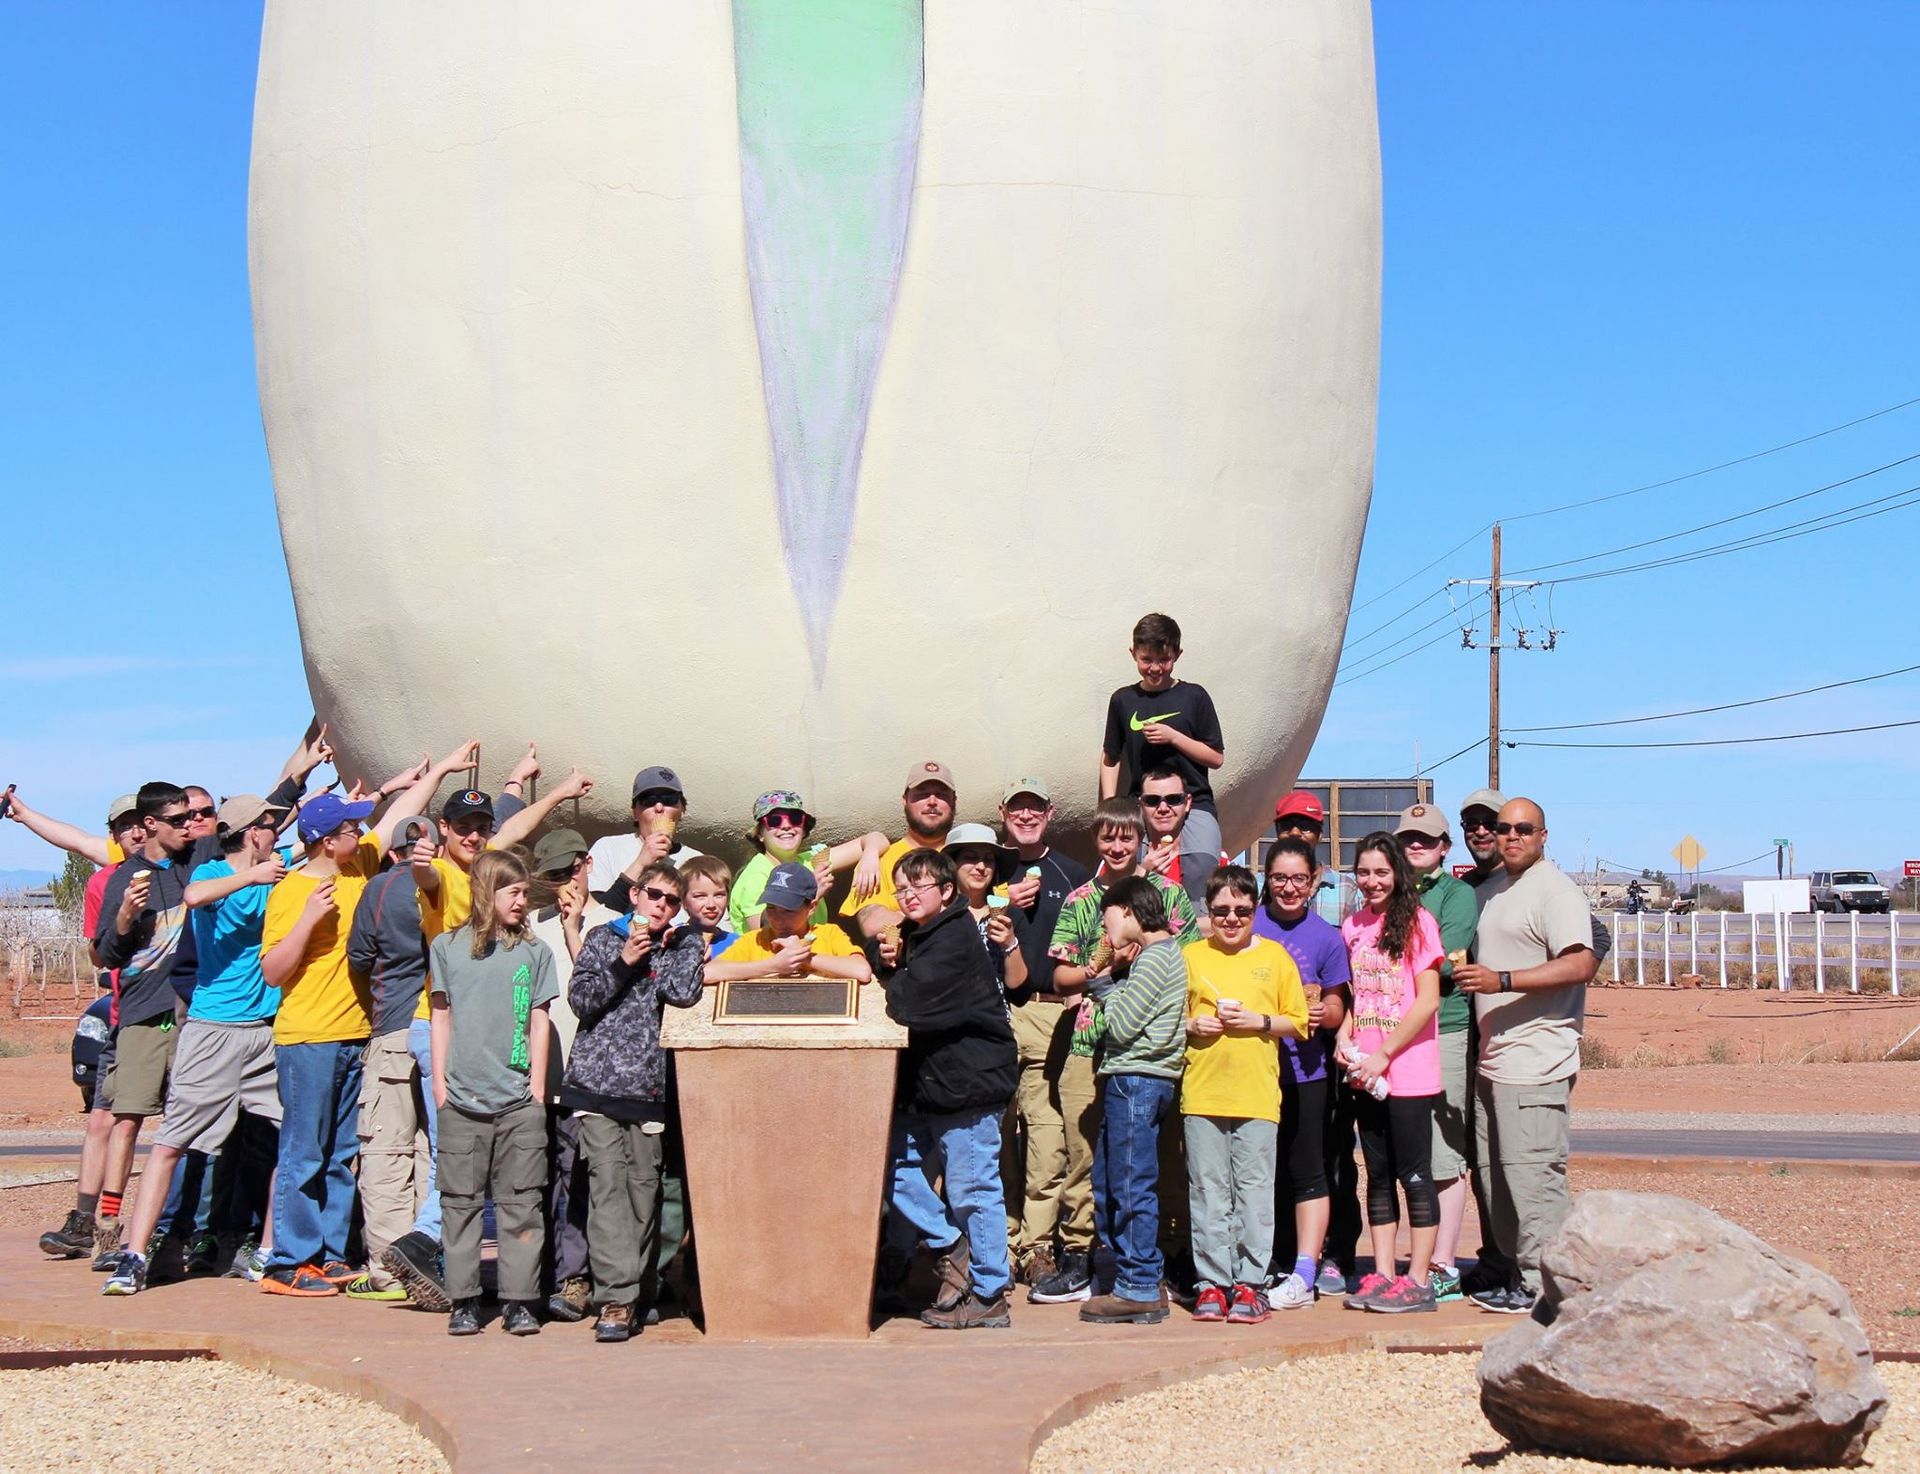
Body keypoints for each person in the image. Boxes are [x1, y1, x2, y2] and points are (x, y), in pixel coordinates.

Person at [102, 795, 290, 1296]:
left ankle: (267, 1252)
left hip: (267, 1029)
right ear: (254, 833)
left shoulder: (281, 866)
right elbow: (193, 899)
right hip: (213, 1029)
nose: (277, 835)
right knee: (171, 1143)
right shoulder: (209, 873)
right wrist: (251, 877)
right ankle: (135, 1255)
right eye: (270, 827)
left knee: (282, 1141)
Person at [260, 772, 439, 1298]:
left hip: (356, 1033)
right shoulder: (294, 891)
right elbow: (273, 971)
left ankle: (333, 1255)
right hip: (308, 1036)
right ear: (325, 839)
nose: (359, 837)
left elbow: (392, 822)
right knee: (303, 1152)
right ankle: (288, 1262)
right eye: (348, 830)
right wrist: (308, 921)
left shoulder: (356, 866)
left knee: (341, 1153)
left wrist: (438, 772)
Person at [1035, 798, 1199, 1305]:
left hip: (1146, 1052)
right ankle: (1084, 1258)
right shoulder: (1082, 898)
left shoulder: (1169, 900)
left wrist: (1128, 974)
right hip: (1092, 1044)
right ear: (1096, 840)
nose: (1118, 845)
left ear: (1141, 838)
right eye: (1108, 837)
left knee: (1149, 1166)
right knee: (1092, 1162)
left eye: (1127, 837)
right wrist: (1097, 970)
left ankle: (1156, 1264)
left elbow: (1187, 962)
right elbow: (1059, 976)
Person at [1453, 798, 1597, 1315]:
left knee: (1534, 1177)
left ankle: (1549, 1291)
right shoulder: (1498, 890)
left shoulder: (1554, 890)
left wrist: (1502, 981)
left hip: (1536, 1061)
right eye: (1502, 828)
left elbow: (1581, 961)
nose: (1510, 836)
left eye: (1522, 829)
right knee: (1497, 1176)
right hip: (1495, 1060)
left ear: (1542, 834)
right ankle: (1515, 1275)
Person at [564, 860, 706, 1342]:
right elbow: (581, 1000)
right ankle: (615, 1301)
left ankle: (637, 1291)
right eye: (653, 895)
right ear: (635, 896)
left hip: (648, 1090)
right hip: (596, 1086)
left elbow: (684, 992)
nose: (660, 906)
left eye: (671, 900)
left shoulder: (684, 942)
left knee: (643, 1196)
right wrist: (624, 960)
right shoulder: (606, 938)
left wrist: (656, 953)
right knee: (607, 1193)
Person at [878, 849, 1019, 1330]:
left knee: (973, 1189)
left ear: (947, 892)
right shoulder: (922, 934)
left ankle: (989, 1291)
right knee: (890, 1161)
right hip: (934, 1086)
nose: (909, 895)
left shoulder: (953, 938)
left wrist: (876, 973)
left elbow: (908, 1002)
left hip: (969, 1084)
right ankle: (948, 1243)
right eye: (902, 888)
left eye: (919, 886)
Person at [430, 850, 559, 1337]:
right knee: (459, 1204)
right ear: (487, 892)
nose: (522, 902)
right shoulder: (447, 947)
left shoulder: (535, 952)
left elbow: (539, 1021)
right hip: (462, 1099)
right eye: (514, 892)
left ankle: (520, 1301)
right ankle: (463, 1300)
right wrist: (441, 1086)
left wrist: (538, 1089)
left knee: (522, 1203)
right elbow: (441, 1015)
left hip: (519, 1101)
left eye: (525, 893)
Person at [1180, 866, 1307, 1325]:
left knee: (1254, 1192)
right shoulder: (1191, 956)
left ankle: (1250, 1283)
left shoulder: (1274, 958)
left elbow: (1301, 1021)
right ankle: (1211, 1282)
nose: (1231, 920)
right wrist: (1192, 1025)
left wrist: (1261, 1022)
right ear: (1207, 913)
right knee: (1208, 1191)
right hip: (1202, 1092)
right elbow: (1170, 1017)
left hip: (1255, 1094)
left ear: (1255, 910)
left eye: (1241, 911)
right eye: (1221, 911)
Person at [36, 793, 147, 1261]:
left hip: (173, 1016)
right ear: (115, 835)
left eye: (140, 823)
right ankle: (88, 1220)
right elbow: (76, 841)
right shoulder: (106, 880)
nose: (135, 832)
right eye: (124, 827)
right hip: (124, 1016)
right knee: (104, 1119)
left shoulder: (183, 871)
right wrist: (22, 815)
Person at [1337, 833, 1444, 1315]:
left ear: (1398, 873)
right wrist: (1345, 1038)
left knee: (1414, 1173)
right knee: (1377, 1174)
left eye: (1382, 871)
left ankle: (1417, 1279)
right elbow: (1358, 998)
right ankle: (1382, 1274)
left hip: (1409, 1070)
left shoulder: (1419, 923)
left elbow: (1427, 999)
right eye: (1364, 872)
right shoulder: (1353, 926)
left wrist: (1387, 1054)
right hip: (1367, 1071)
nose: (1372, 881)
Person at [994, 777, 1092, 1293]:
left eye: (1035, 809)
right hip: (994, 1016)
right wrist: (1003, 899)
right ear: (1003, 811)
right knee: (994, 1137)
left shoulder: (1073, 874)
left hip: (1051, 1013)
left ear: (1050, 813)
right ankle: (1001, 1243)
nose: (1026, 817)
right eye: (1017, 808)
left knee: (1046, 1139)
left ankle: (1036, 1246)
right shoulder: (988, 868)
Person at [1078, 877, 1187, 1325]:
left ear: (1126, 910)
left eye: (1107, 918)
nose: (1107, 933)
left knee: (1128, 1183)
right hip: (1140, 1081)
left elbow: (1121, 1027)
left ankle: (1138, 1285)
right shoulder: (1160, 956)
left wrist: (1103, 985)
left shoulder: (1156, 959)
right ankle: (1138, 1277)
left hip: (1136, 1081)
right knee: (1115, 1180)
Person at [343, 815, 441, 1303]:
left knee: (385, 1151)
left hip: (394, 1030)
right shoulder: (448, 890)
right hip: (441, 1031)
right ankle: (427, 1260)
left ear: (394, 851)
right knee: (430, 1150)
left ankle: (386, 1270)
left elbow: (359, 958)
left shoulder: (380, 889)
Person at [1252, 836, 1352, 1309]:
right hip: (1251, 1073)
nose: (1288, 888)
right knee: (1259, 1171)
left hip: (1305, 1070)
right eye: (1279, 878)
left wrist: (1322, 1014)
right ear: (1265, 881)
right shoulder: (1246, 923)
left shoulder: (1327, 938)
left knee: (1307, 1170)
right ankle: (1262, 1262)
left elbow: (1336, 1003)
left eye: (1298, 879)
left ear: (1313, 882)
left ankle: (1305, 1268)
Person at [525, 827, 616, 1324]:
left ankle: (575, 1277)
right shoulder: (529, 925)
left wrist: (574, 925)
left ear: (586, 865)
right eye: (553, 876)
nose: (563, 885)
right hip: (537, 1077)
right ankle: (534, 1275)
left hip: (586, 1078)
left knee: (579, 1178)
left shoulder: (612, 923)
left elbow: (605, 990)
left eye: (569, 871)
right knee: (535, 1181)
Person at [1394, 802, 1478, 1304]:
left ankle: (1444, 1261)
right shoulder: (1389, 892)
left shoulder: (1456, 895)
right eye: (1409, 839)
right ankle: (1414, 1258)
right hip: (1393, 1031)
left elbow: (1448, 960)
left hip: (1443, 1026)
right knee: (1407, 1150)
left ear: (1445, 847)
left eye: (1426, 839)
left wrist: (1395, 966)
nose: (1416, 846)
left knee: (1445, 1149)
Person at [1099, 611, 1225, 864]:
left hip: (1194, 803)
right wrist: (1111, 805)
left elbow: (1216, 758)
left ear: (1177, 655)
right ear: (1133, 653)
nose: (1155, 668)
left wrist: (1173, 737)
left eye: (1164, 659)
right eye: (1146, 659)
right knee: (1132, 870)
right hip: (1140, 804)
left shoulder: (1194, 696)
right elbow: (1110, 757)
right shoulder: (1123, 700)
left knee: (1202, 865)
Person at [726, 790, 883, 934]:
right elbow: (768, 935)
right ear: (760, 833)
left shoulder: (811, 860)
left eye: (795, 819)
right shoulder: (755, 877)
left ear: (803, 828)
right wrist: (811, 894)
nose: (786, 826)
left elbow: (877, 838)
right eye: (775, 821)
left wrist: (870, 856)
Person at [843, 761, 959, 939]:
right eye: (922, 794)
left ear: (954, 801)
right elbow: (872, 922)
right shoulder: (878, 860)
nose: (932, 802)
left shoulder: (970, 854)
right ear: (904, 800)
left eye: (941, 794)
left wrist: (903, 915)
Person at [714, 863, 875, 981]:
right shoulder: (754, 940)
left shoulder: (829, 934)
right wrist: (774, 965)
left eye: (788, 910)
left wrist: (803, 957)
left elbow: (861, 971)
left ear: (811, 908)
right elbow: (710, 972)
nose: (777, 918)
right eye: (771, 908)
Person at [587, 765, 702, 911]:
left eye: (669, 799)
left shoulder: (695, 861)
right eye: (648, 800)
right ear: (635, 813)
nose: (659, 807)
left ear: (682, 811)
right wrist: (641, 863)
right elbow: (595, 915)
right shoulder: (608, 848)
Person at [945, 823, 1028, 993]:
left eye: (989, 859)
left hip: (992, 1017)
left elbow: (1020, 993)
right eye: (970, 857)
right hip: (942, 1016)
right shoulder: (935, 913)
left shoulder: (1011, 916)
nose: (981, 867)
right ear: (952, 863)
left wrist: (1010, 944)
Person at [1137, 764, 1220, 915]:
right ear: (1141, 805)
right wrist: (1141, 876)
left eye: (1174, 799)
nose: (1163, 808)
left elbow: (1224, 921)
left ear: (1188, 803)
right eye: (1152, 801)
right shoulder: (1121, 859)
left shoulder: (1215, 861)